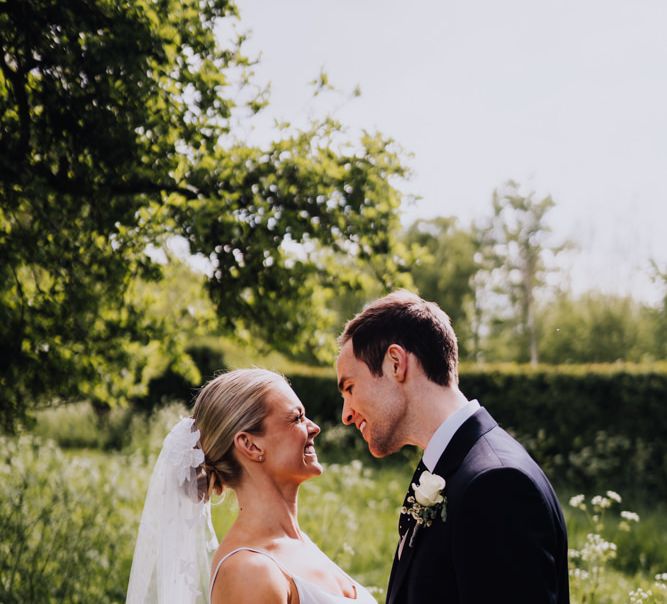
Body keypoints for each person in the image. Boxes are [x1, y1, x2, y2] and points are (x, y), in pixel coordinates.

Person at [336, 290, 570, 604]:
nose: (346, 414)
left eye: (350, 387)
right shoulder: (449, 468)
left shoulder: (496, 484)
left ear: (396, 363)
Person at [126, 368, 377, 604]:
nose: (314, 428)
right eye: (297, 418)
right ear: (251, 445)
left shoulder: (296, 543)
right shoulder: (248, 572)